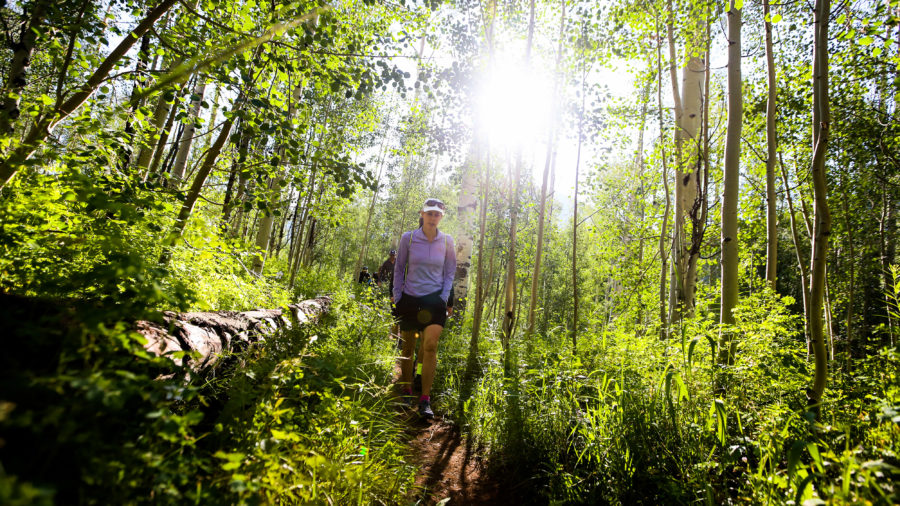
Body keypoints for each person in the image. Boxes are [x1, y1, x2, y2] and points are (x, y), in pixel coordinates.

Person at [393, 198, 456, 419]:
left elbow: (450, 272)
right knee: (408, 348)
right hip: (409, 298)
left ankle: (425, 399)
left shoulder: (447, 241)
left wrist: (444, 297)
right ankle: (407, 390)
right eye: (429, 213)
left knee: (429, 346)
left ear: (442, 217)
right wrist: (398, 296)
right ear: (422, 214)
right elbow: (399, 268)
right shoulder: (408, 239)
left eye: (437, 214)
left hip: (434, 301)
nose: (433, 217)